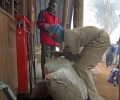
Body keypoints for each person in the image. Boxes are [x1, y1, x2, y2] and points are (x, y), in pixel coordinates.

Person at [45, 24, 110, 100]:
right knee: (77, 65)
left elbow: (75, 55)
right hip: (94, 40)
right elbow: (77, 56)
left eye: (53, 36)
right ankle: (85, 90)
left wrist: (60, 54)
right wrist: (63, 54)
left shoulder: (69, 37)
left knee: (82, 67)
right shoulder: (68, 36)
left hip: (100, 39)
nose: (53, 39)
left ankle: (94, 97)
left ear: (56, 33)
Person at [37, 0, 59, 79]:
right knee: (46, 58)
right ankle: (45, 75)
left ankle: (50, 75)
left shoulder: (56, 16)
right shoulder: (43, 12)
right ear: (49, 4)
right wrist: (49, 27)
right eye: (51, 6)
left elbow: (57, 28)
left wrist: (57, 38)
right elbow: (39, 24)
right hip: (46, 40)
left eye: (54, 7)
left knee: (53, 58)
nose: (52, 8)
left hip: (54, 41)